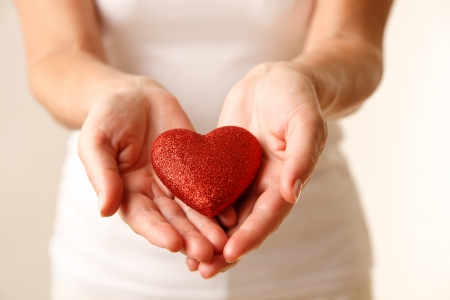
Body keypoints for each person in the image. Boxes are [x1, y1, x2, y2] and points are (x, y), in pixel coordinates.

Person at [15, 0, 392, 299]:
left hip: (311, 252)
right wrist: (109, 94)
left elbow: (353, 43)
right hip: (111, 260)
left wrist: (306, 80)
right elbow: (56, 54)